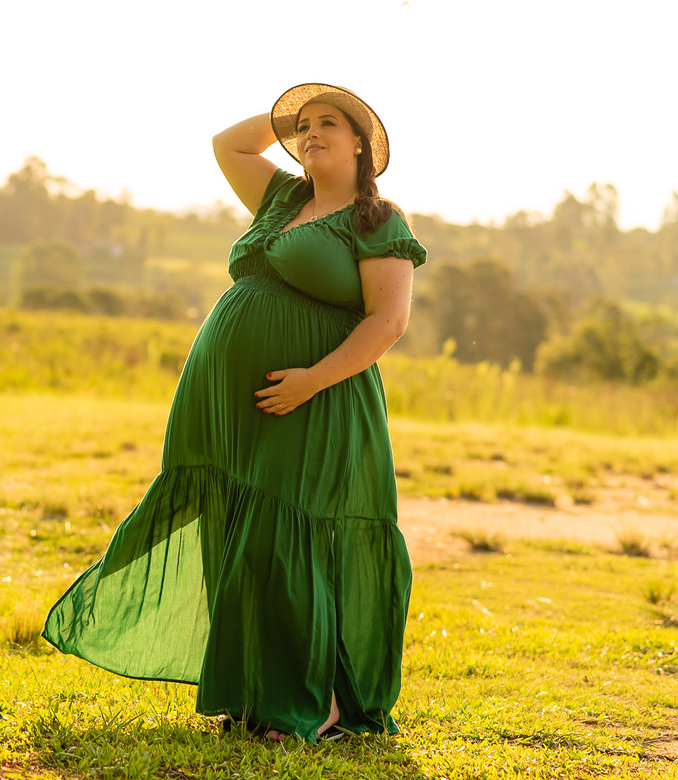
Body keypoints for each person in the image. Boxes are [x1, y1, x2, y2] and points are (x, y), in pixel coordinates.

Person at [42, 83, 425, 744]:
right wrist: (290, 113)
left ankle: (319, 705)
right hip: (225, 403)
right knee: (240, 540)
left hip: (317, 398)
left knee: (290, 541)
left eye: (328, 124)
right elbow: (229, 143)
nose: (310, 134)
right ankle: (256, 692)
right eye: (303, 127)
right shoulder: (282, 197)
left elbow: (388, 322)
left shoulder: (378, 219)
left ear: (362, 139)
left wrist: (309, 381)